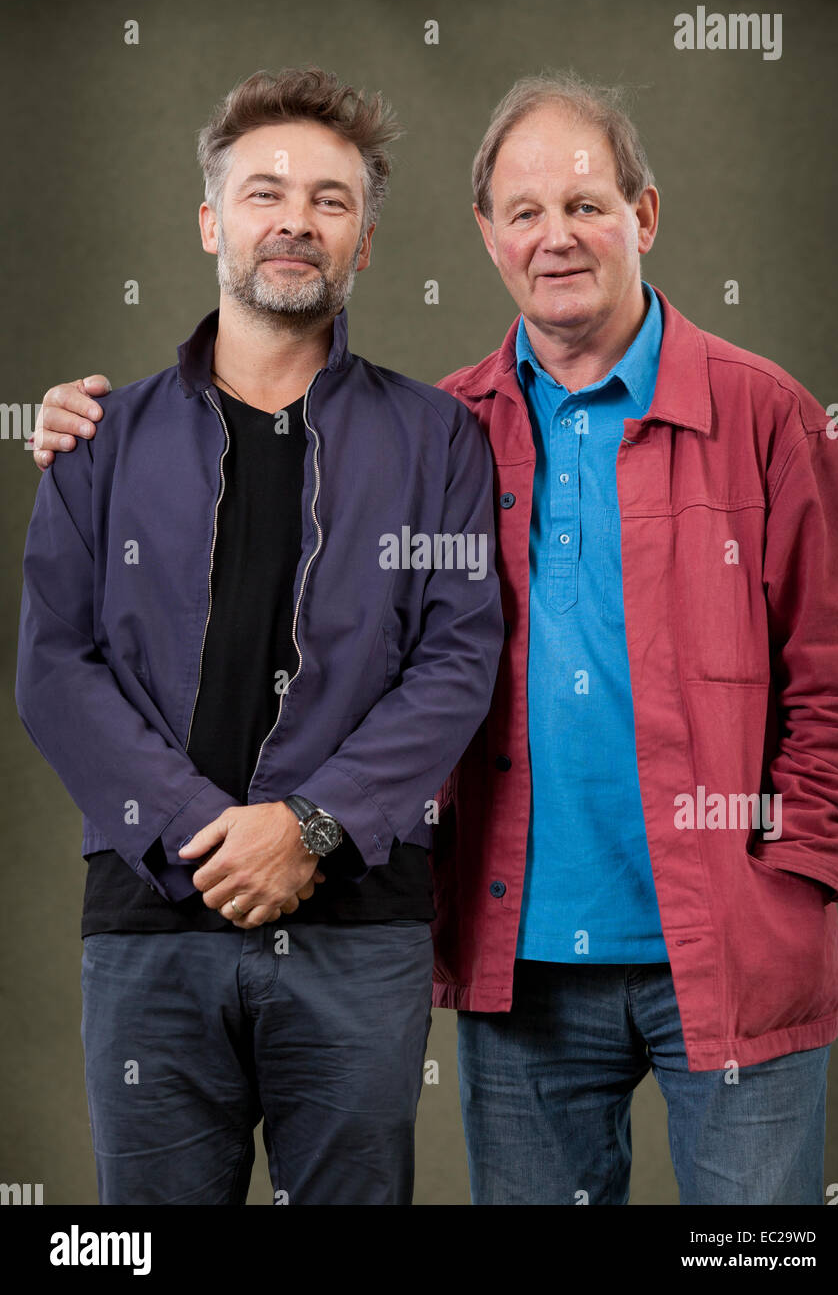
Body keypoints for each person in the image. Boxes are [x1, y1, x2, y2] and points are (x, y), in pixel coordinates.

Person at [31, 72, 838, 1207]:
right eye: (523, 211)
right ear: (484, 235)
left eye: (584, 207)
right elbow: (63, 665)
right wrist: (197, 831)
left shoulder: (742, 415)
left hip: (708, 948)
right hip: (497, 962)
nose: (555, 236)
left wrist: (797, 873)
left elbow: (832, 669)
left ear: (645, 217)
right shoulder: (446, 424)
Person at [16, 66, 503, 1206]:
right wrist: (205, 834)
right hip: (149, 923)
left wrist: (311, 830)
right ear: (209, 221)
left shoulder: (439, 440)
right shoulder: (96, 438)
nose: (296, 219)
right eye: (264, 192)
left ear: (365, 243)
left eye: (332, 200)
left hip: (357, 931)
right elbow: (52, 668)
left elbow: (455, 658)